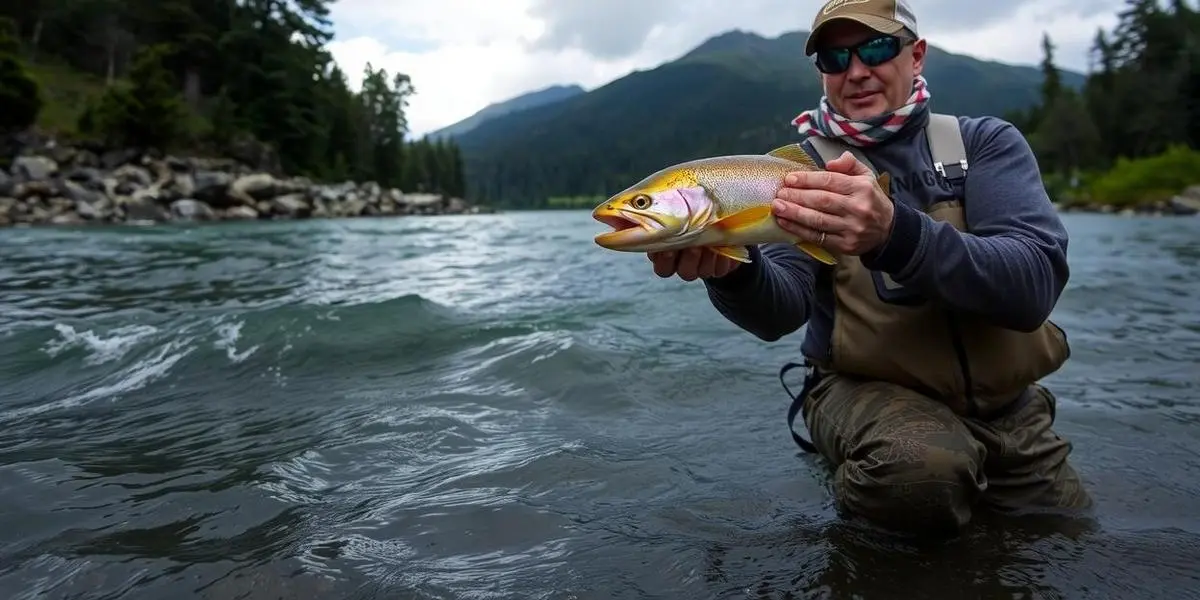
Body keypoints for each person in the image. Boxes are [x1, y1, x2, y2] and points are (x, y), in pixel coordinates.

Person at [648, 0, 1092, 535]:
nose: (855, 71)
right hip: (864, 393)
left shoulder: (984, 145)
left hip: (1007, 407)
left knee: (1068, 533)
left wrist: (893, 234)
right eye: (835, 58)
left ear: (917, 55)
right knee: (923, 472)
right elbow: (780, 311)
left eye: (876, 48)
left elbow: (1032, 286)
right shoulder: (796, 172)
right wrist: (734, 272)